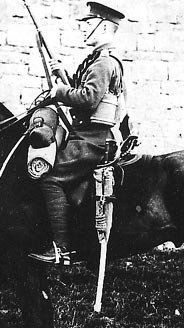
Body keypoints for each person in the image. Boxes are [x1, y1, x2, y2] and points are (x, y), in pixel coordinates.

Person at [28, 1, 127, 265]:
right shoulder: (96, 62)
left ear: (105, 27)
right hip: (87, 136)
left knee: (49, 175)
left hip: (94, 140)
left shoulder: (104, 64)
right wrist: (61, 74)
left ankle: (62, 249)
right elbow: (82, 91)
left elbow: (88, 99)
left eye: (89, 24)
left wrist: (59, 92)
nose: (83, 28)